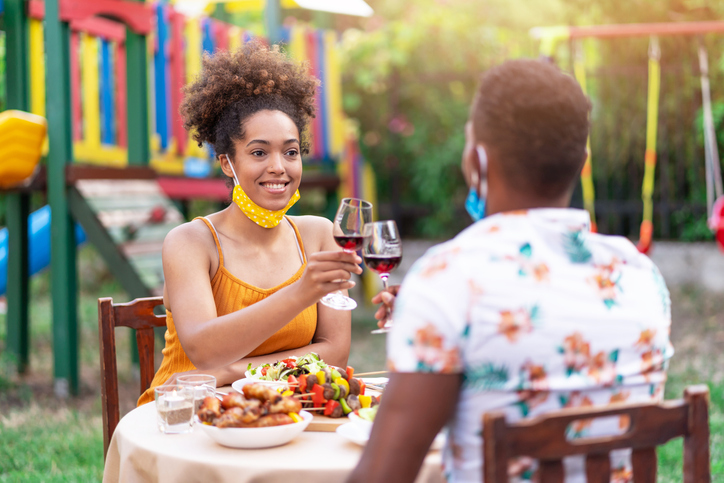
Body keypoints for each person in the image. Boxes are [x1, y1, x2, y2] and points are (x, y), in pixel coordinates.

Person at [349, 59, 673, 482]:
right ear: (582, 160)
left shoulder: (447, 278)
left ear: (478, 160)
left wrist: (429, 307)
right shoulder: (639, 274)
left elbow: (383, 474)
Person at [138, 41, 362, 405]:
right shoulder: (191, 242)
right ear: (228, 164)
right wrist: (301, 292)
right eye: (259, 152)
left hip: (286, 408)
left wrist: (232, 371)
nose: (279, 166)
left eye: (291, 152)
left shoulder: (320, 234)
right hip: (186, 413)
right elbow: (205, 353)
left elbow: (335, 353)